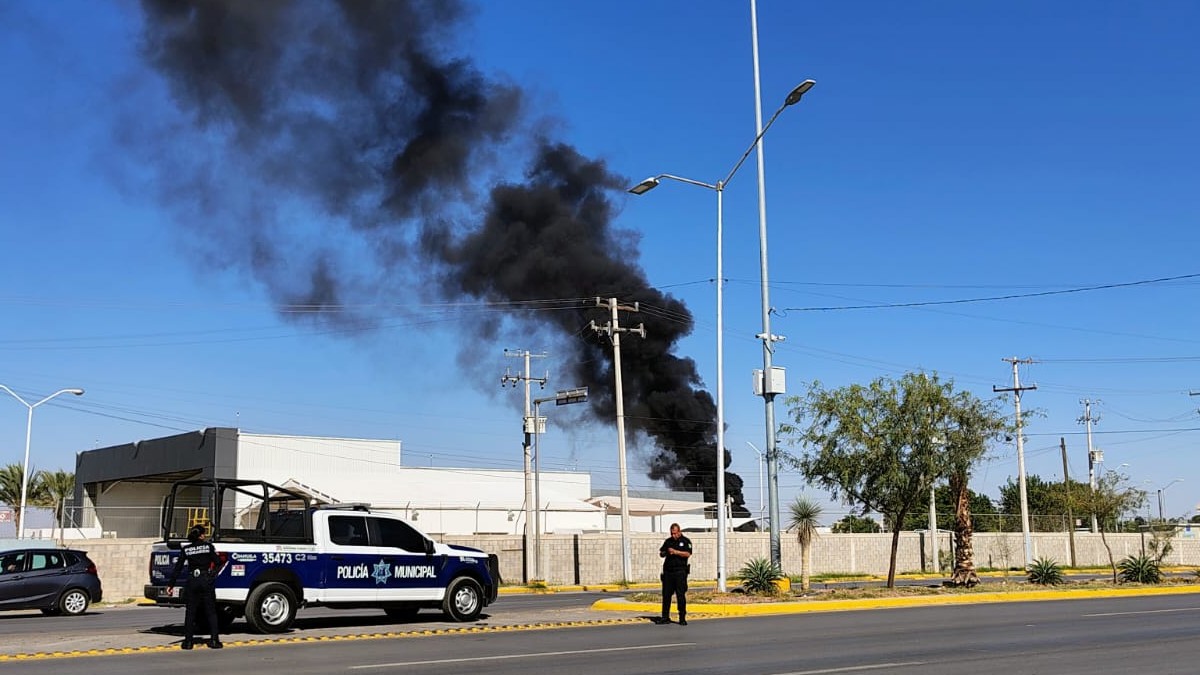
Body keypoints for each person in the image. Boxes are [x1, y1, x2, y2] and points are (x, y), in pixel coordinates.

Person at [168, 525, 223, 650]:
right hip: (206, 580)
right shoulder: (208, 547)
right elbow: (219, 562)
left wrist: (171, 584)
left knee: (190, 613)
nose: (205, 536)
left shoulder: (186, 549)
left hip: (192, 581)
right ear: (201, 535)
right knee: (211, 612)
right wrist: (212, 574)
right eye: (204, 534)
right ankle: (214, 640)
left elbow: (178, 568)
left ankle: (188, 642)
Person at [658, 522, 692, 625]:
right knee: (666, 595)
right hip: (668, 572)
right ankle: (665, 617)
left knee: (680, 595)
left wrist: (676, 552)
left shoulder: (685, 541)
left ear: (679, 531)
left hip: (680, 572)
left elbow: (688, 554)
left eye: (675, 533)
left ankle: (682, 617)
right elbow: (661, 553)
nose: (673, 535)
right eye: (672, 533)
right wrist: (666, 552)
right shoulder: (668, 541)